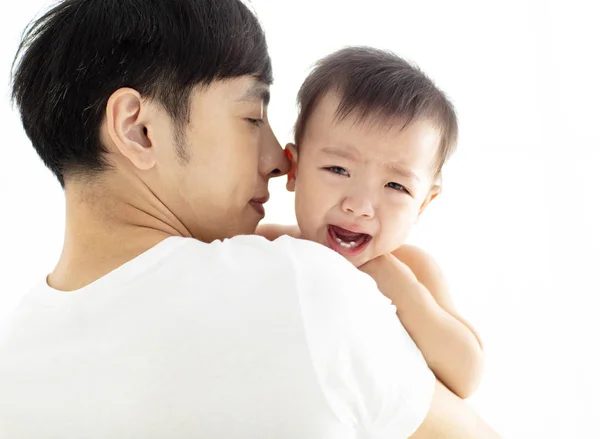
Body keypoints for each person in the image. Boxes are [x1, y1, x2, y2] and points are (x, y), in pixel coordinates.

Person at [0, 0, 499, 437]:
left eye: (395, 184)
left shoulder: (16, 358)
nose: (281, 161)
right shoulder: (303, 286)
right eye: (252, 118)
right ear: (140, 129)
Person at [258, 47, 484, 399]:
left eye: (396, 186)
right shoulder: (263, 246)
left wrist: (401, 290)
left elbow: (466, 375)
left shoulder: (413, 270)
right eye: (338, 170)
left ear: (423, 204)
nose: (359, 206)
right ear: (295, 169)